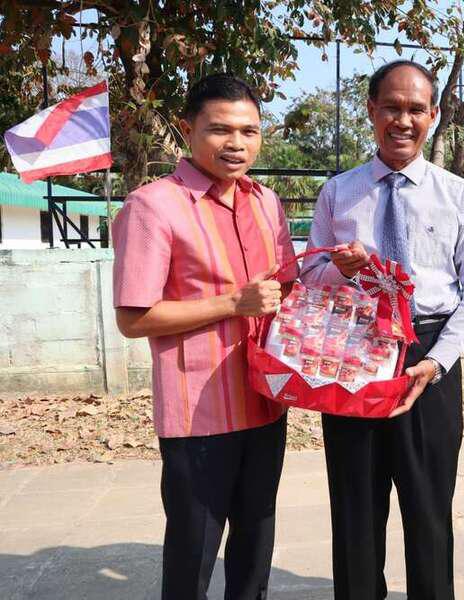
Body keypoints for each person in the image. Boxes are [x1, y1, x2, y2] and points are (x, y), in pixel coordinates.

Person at [299, 59, 464, 600]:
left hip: (428, 356)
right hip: (353, 354)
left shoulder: (458, 195)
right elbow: (308, 276)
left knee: (429, 510)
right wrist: (339, 270)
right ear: (371, 111)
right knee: (356, 509)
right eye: (391, 107)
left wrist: (438, 361)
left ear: (433, 115)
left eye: (415, 109)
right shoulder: (338, 193)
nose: (403, 121)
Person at [112, 74, 298, 599]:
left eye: (249, 131)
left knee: (255, 547)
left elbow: (286, 286)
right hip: (200, 415)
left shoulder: (266, 202)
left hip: (265, 403)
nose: (236, 144)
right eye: (220, 130)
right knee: (193, 553)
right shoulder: (153, 206)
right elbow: (133, 318)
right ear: (186, 128)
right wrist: (231, 304)